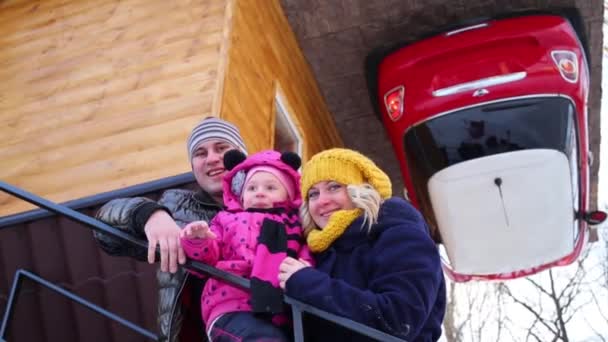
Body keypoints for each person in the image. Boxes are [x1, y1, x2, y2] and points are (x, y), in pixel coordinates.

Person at [94, 116, 248, 342]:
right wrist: (148, 215)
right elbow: (103, 232)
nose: (212, 159)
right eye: (200, 153)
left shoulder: (274, 201)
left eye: (221, 148)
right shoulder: (178, 208)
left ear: (241, 154)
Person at [278, 148, 446, 342]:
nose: (322, 201)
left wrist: (308, 284)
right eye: (313, 194)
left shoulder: (401, 234)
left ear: (361, 190)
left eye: (334, 187)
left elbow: (399, 319)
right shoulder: (316, 252)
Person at [180, 149, 313, 341]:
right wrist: (198, 239)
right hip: (231, 305)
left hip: (281, 312)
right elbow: (209, 255)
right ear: (241, 196)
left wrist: (306, 269)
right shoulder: (227, 220)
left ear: (289, 195)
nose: (259, 193)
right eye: (251, 188)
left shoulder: (295, 225)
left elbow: (305, 255)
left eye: (270, 188)